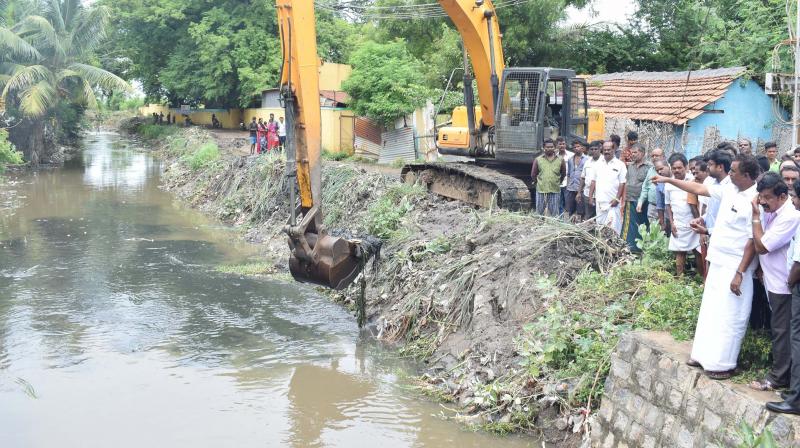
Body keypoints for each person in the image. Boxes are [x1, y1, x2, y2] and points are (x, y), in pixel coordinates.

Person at [653, 154, 761, 380]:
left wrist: (740, 273)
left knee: (731, 315)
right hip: (719, 258)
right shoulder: (730, 189)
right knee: (710, 311)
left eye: (734, 172)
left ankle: (721, 364)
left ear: (748, 176)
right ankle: (701, 356)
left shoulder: (757, 198)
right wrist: (669, 181)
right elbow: (698, 189)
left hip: (737, 265)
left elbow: (752, 240)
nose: (729, 174)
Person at [748, 172, 800, 392]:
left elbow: (761, 246)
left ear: (782, 196)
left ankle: (778, 378)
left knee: (782, 331)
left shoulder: (790, 216)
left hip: (783, 284)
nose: (763, 202)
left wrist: (756, 216)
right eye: (761, 197)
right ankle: (782, 375)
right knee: (780, 330)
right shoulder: (773, 209)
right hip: (772, 281)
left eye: (768, 197)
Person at [766, 181, 800, 414]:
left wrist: (790, 280)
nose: (793, 200)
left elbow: (798, 261)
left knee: (795, 338)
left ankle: (796, 399)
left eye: (794, 195)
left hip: (794, 284)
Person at [664, 153, 702, 277]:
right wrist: (671, 222)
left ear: (685, 167)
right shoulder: (668, 183)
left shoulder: (693, 180)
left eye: (679, 168)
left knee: (698, 252)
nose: (676, 170)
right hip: (678, 223)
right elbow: (668, 205)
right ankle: (679, 280)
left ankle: (702, 279)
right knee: (680, 253)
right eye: (674, 168)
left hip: (694, 222)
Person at [590, 141, 626, 232]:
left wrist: (617, 199)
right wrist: (591, 197)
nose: (606, 151)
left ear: (613, 150)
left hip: (613, 203)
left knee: (613, 229)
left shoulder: (620, 165)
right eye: (605, 149)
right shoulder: (598, 164)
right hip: (600, 203)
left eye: (609, 149)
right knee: (600, 228)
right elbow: (593, 181)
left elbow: (622, 183)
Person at [621, 143, 651, 252]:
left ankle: (643, 247)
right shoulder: (630, 166)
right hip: (630, 199)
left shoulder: (649, 168)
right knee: (629, 225)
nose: (633, 155)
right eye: (632, 152)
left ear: (642, 153)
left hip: (644, 202)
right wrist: (623, 200)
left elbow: (649, 185)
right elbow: (626, 183)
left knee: (643, 223)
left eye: (635, 152)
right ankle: (628, 247)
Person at [531, 138, 565, 217]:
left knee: (554, 214)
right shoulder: (538, 160)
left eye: (551, 147)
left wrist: (558, 182)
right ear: (544, 148)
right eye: (547, 147)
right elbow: (533, 174)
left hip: (555, 190)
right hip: (541, 190)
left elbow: (563, 174)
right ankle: (539, 227)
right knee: (539, 213)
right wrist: (538, 183)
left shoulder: (560, 160)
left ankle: (553, 228)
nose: (550, 148)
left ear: (554, 148)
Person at [637, 148, 665, 227]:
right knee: (653, 232)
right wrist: (640, 202)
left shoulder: (668, 170)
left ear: (663, 157)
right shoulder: (650, 170)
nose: (654, 157)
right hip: (652, 207)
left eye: (657, 155)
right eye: (652, 156)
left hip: (664, 209)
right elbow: (645, 188)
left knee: (664, 231)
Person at [578, 140, 602, 220]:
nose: (594, 151)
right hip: (587, 194)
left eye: (596, 149)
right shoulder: (587, 162)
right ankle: (589, 231)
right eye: (592, 149)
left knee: (599, 217)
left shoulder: (604, 162)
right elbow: (582, 178)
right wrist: (579, 192)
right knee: (588, 216)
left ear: (600, 149)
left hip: (600, 195)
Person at [565, 139, 588, 221]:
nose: (576, 148)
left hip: (581, 189)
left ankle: (579, 226)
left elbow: (587, 175)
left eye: (578, 146)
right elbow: (568, 174)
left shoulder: (587, 159)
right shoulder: (570, 159)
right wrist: (568, 186)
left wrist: (581, 189)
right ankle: (569, 225)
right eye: (574, 147)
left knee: (580, 211)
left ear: (582, 147)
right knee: (569, 209)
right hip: (571, 188)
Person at [556, 137, 573, 214]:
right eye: (560, 144)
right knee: (559, 203)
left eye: (563, 144)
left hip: (568, 183)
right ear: (557, 145)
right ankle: (561, 220)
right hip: (558, 183)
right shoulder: (554, 156)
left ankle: (569, 219)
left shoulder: (571, 155)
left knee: (568, 203)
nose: (562, 146)